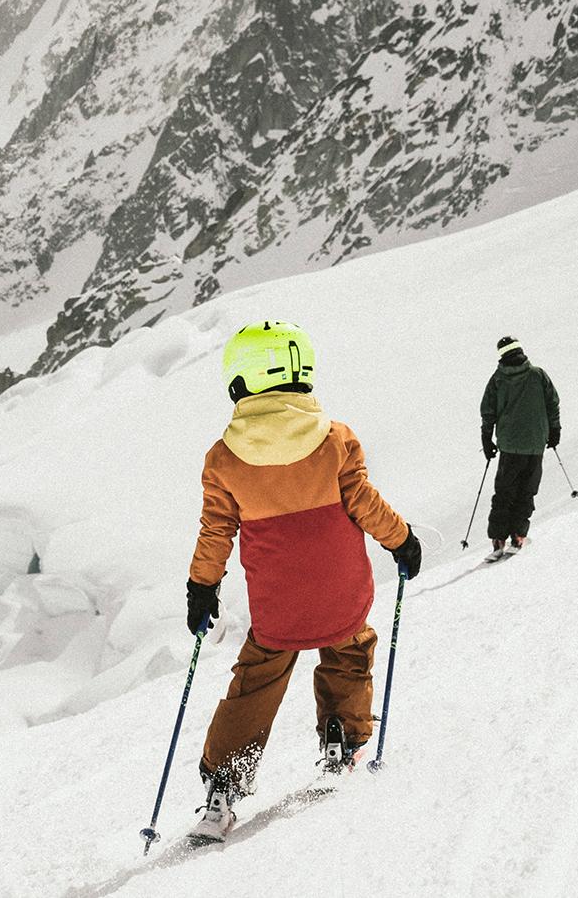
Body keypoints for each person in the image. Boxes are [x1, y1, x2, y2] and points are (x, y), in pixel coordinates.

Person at [182, 320, 421, 844]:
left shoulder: (223, 460)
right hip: (342, 592)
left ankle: (223, 787)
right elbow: (365, 504)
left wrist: (203, 588)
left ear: (242, 379)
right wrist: (402, 540)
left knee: (257, 679)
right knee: (350, 650)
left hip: (277, 608)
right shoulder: (336, 440)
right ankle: (342, 741)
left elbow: (216, 531)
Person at [480, 335, 561, 562]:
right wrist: (555, 430)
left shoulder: (498, 379)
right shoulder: (537, 375)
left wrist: (487, 439)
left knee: (504, 492)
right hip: (535, 444)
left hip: (509, 447)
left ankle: (498, 540)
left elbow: (488, 411)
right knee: (526, 490)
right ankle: (518, 535)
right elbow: (552, 403)